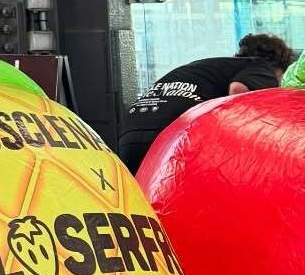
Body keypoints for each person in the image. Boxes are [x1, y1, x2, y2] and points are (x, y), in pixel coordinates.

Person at [116, 33, 295, 173]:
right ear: (279, 67)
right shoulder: (261, 67)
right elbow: (238, 90)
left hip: (131, 129)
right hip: (172, 133)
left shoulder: (208, 67)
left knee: (142, 197)